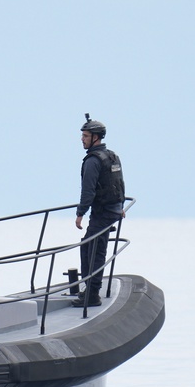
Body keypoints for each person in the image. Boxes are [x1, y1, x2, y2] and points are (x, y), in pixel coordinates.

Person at [74, 114, 126, 308]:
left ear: (96, 138)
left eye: (86, 136)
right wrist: (119, 207)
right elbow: (120, 183)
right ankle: (90, 288)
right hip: (111, 211)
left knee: (92, 249)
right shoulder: (112, 156)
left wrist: (80, 213)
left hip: (103, 213)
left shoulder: (92, 161)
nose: (82, 139)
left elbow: (88, 190)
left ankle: (92, 293)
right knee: (91, 246)